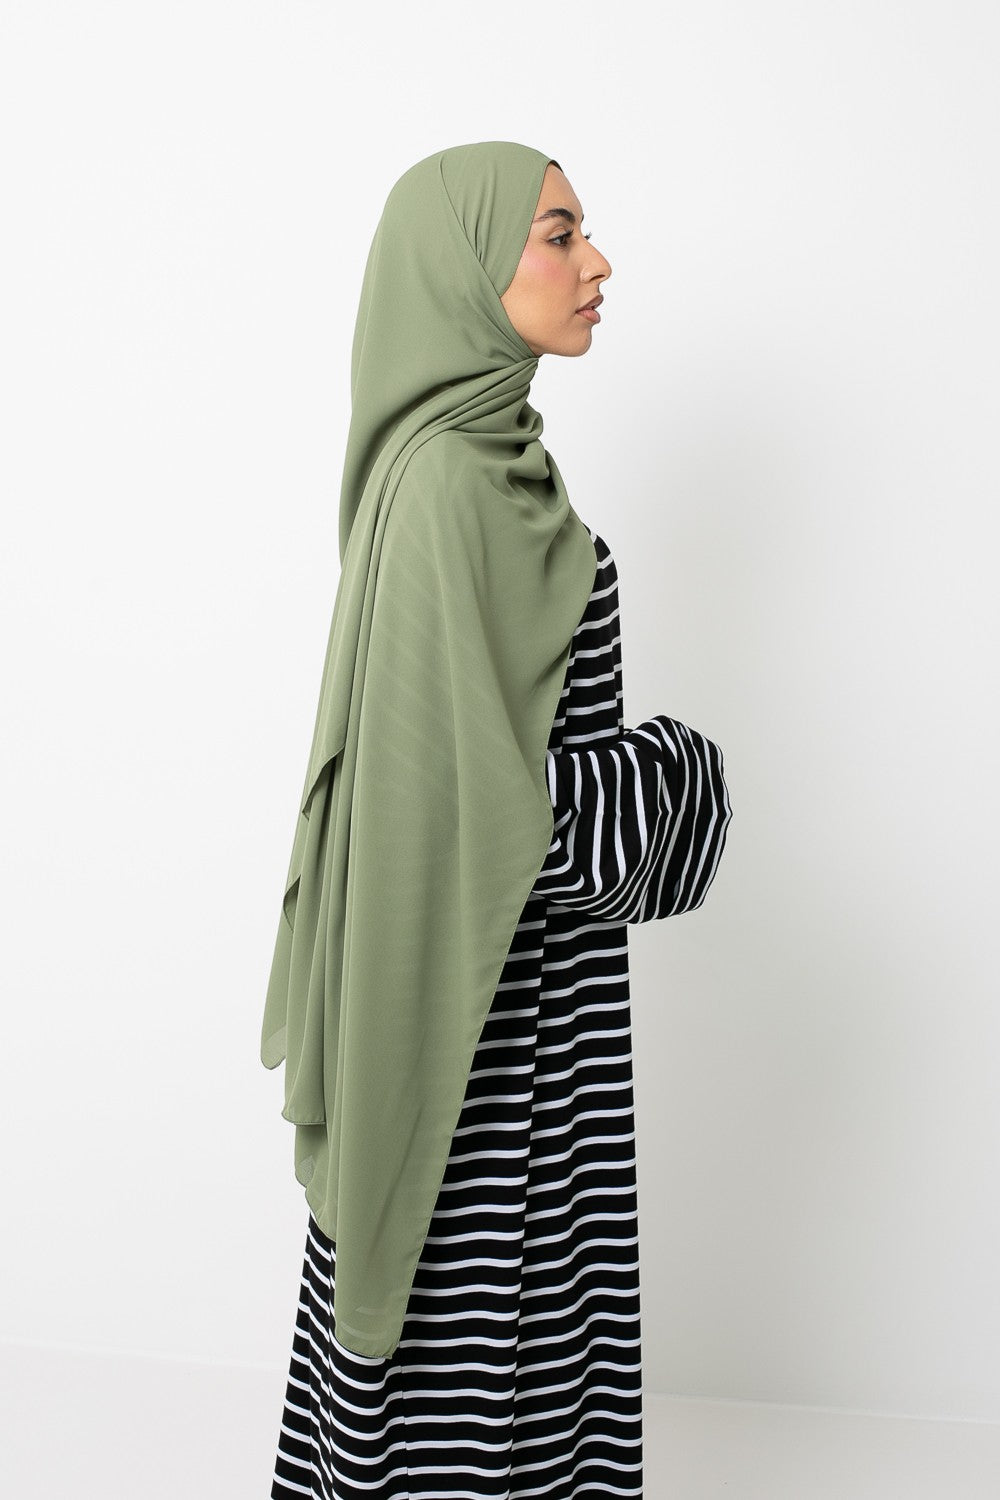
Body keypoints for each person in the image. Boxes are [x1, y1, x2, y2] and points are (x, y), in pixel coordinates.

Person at [262, 140, 732, 1500]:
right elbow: (484, 813)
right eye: (558, 234)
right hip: (478, 1016)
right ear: (467, 268)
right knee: (477, 1312)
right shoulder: (451, 493)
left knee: (514, 1321)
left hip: (534, 998)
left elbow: (484, 784)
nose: (596, 263)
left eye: (585, 234)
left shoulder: (490, 464)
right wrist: (683, 778)